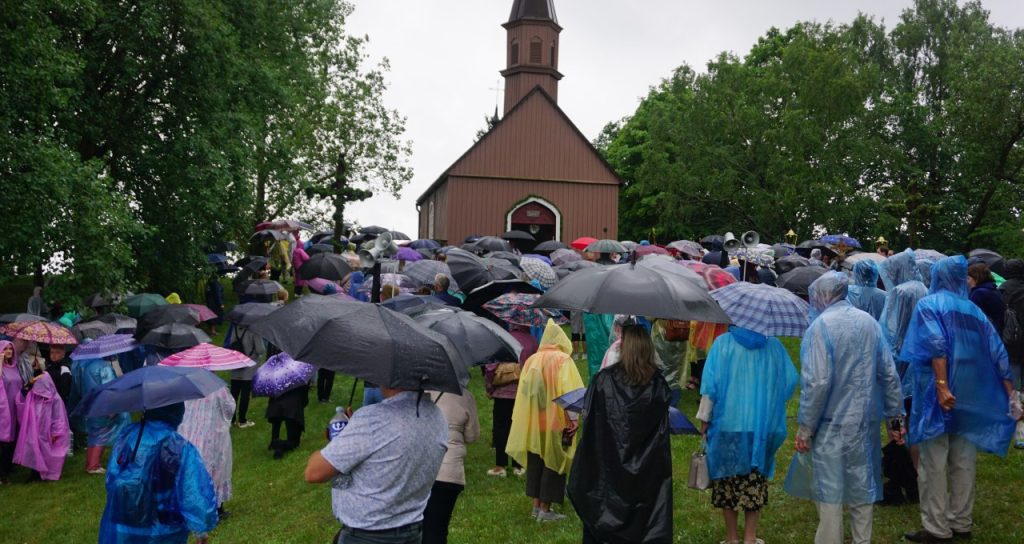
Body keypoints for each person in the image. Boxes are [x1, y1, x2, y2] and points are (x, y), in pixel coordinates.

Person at [900, 256, 1020, 543]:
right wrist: (1011, 395)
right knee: (964, 460)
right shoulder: (973, 311)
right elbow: (998, 353)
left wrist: (941, 386)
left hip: (936, 395)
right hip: (970, 393)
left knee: (934, 462)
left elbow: (936, 343)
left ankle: (937, 528)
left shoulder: (929, 306)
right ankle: (961, 521)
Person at [784, 272, 905, 544]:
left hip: (830, 423)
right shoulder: (869, 323)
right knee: (863, 486)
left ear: (823, 295)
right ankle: (862, 540)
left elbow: (817, 383)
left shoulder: (820, 327)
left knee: (829, 491)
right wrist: (895, 418)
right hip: (865, 421)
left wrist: (805, 427)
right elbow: (888, 373)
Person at [568, 324, 673, 544]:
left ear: (623, 347)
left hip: (606, 471)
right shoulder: (658, 386)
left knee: (601, 523)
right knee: (643, 525)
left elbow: (591, 427)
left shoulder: (604, 380)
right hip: (646, 476)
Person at [304, 386, 447, 544]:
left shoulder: (374, 418)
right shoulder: (437, 416)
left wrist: (344, 435)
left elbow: (314, 472)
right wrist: (355, 433)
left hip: (367, 534)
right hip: (412, 529)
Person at [698, 325, 798, 544]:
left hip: (727, 424)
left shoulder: (722, 344)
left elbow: (710, 388)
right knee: (755, 479)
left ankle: (732, 538)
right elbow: (789, 381)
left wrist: (705, 419)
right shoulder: (774, 347)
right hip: (761, 427)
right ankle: (750, 538)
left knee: (726, 479)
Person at [99, 403, 219, 544]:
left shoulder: (128, 436)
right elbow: (193, 493)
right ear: (177, 413)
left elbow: (111, 478)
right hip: (165, 530)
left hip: (125, 525)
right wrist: (201, 530)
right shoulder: (179, 446)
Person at [506, 319, 585, 521]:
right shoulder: (563, 360)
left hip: (535, 420)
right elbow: (571, 392)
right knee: (554, 460)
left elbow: (525, 391)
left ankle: (535, 507)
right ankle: (545, 509)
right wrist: (574, 419)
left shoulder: (533, 360)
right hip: (557, 420)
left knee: (536, 459)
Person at [422, 388, 479, 544]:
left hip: (420, 468)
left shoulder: (417, 394)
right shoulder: (465, 396)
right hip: (450, 471)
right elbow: (472, 435)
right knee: (438, 528)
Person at [483, 323, 537, 477]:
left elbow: (491, 367)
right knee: (519, 428)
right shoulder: (533, 341)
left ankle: (500, 465)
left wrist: (490, 387)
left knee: (501, 427)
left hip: (502, 392)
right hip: (523, 393)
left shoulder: (502, 339)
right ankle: (518, 465)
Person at [177, 387, 236, 518]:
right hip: (213, 434)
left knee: (194, 471)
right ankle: (216, 508)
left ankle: (196, 508)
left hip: (189, 434)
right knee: (216, 469)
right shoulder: (217, 388)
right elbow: (229, 408)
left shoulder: (184, 388)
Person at [69, 356, 129, 474]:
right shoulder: (104, 367)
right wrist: (112, 408)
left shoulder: (84, 367)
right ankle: (94, 465)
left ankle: (90, 464)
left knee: (94, 435)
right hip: (103, 407)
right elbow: (110, 389)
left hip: (91, 405)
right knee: (102, 435)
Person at [14, 372, 71, 480]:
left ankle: (47, 473)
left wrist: (56, 432)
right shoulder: (33, 397)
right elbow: (21, 402)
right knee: (34, 451)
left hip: (48, 433)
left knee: (48, 453)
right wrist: (27, 386)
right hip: (34, 431)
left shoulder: (55, 399)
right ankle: (35, 473)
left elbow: (59, 417)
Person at [228, 325, 265, 427]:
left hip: (236, 365)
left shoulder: (235, 328)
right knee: (245, 394)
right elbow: (260, 350)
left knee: (233, 394)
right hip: (249, 366)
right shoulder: (255, 331)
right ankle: (242, 421)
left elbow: (231, 344)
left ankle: (231, 419)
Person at [0, 340, 26, 483]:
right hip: (3, 409)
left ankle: (8, 467)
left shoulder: (14, 367)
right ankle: (2, 474)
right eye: (6, 349)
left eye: (11, 349)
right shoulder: (1, 368)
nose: (9, 351)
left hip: (15, 408)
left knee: (13, 439)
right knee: (3, 441)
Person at [267, 375, 309, 459]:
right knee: (294, 441)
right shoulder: (299, 374)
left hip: (276, 403)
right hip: (292, 405)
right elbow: (304, 394)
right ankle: (281, 445)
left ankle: (274, 442)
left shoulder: (274, 374)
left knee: (276, 425)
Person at [967, 263, 1005, 333]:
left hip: (987, 333)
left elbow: (972, 317)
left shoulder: (978, 293)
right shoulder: (993, 289)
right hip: (999, 331)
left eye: (968, 278)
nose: (967, 282)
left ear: (976, 278)